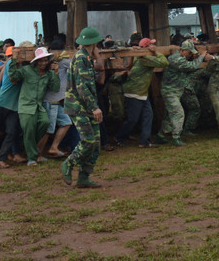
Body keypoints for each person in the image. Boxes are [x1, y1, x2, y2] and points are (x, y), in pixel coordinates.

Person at [63, 26, 105, 188]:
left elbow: (97, 70)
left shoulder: (85, 57)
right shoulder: (81, 58)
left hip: (85, 106)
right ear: (94, 43)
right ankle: (69, 163)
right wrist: (94, 107)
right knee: (88, 141)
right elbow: (82, 86)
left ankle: (84, 176)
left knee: (95, 144)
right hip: (79, 106)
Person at [114, 38, 168, 148]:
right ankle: (119, 137)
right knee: (133, 119)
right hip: (135, 92)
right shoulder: (145, 58)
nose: (153, 46)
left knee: (148, 115)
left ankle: (144, 141)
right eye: (151, 45)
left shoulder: (138, 56)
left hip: (140, 92)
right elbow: (164, 62)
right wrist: (156, 52)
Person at [10, 46, 60, 165]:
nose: (43, 63)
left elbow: (55, 88)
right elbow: (13, 76)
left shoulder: (49, 74)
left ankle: (30, 146)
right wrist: (13, 60)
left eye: (45, 60)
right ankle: (32, 158)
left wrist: (56, 73)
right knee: (29, 130)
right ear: (36, 61)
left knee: (45, 122)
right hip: (26, 106)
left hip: (38, 106)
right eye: (41, 60)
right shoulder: (27, 70)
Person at [158, 40, 206, 146]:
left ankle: (161, 135)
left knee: (169, 114)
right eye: (189, 52)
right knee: (178, 113)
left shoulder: (179, 57)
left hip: (176, 90)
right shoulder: (176, 59)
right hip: (170, 91)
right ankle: (176, 137)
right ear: (183, 50)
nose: (190, 55)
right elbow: (192, 66)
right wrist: (201, 57)